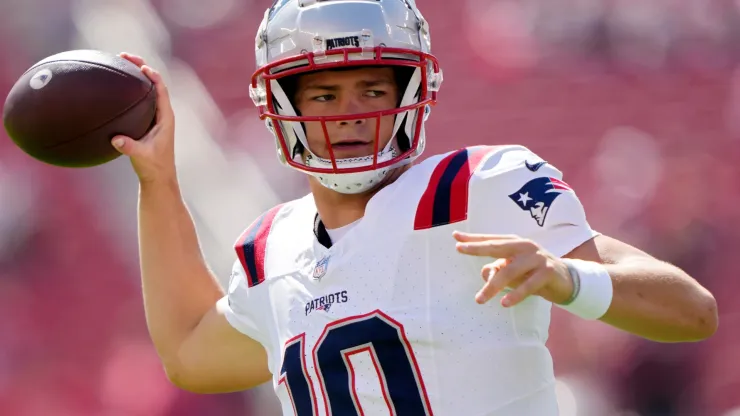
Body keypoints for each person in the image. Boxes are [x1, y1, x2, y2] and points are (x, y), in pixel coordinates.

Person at [110, 0, 718, 414]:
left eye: (373, 88)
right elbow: (190, 353)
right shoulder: (273, 246)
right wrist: (156, 181)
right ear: (282, 106)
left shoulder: (479, 184)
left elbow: (691, 311)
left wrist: (568, 278)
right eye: (323, 94)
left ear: (413, 91)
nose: (350, 113)